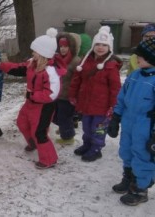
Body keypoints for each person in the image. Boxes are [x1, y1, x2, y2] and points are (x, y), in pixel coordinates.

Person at [0, 28, 66, 169]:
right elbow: (18, 68)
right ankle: (33, 142)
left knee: (39, 132)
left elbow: (51, 94)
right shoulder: (32, 63)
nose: (32, 53)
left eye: (35, 51)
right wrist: (1, 66)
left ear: (43, 54)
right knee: (21, 122)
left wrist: (32, 95)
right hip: (30, 103)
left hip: (44, 106)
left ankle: (49, 160)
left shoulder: (50, 71)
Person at [107, 37, 155, 206]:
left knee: (142, 156)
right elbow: (122, 98)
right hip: (129, 122)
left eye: (140, 56)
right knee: (126, 151)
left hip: (146, 126)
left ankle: (140, 189)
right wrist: (115, 118)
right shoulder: (134, 75)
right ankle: (128, 178)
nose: (136, 58)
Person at [69, 26, 122, 162]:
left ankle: (96, 148)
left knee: (98, 129)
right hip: (86, 103)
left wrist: (113, 106)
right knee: (86, 126)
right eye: (97, 44)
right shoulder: (85, 61)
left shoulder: (111, 65)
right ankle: (87, 144)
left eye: (104, 45)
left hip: (102, 107)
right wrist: (73, 95)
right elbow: (77, 79)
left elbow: (115, 88)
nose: (100, 47)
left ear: (109, 47)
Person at [53, 32, 82, 145]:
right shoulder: (58, 59)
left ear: (71, 47)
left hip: (68, 96)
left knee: (64, 117)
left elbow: (79, 80)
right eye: (61, 46)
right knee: (56, 116)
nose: (63, 49)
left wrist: (75, 95)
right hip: (57, 93)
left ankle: (68, 137)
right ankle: (64, 128)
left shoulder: (76, 61)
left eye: (66, 46)